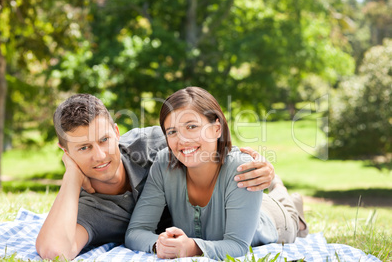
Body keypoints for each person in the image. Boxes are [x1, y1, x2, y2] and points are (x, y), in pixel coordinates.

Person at [35, 94, 276, 260]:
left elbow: (209, 145)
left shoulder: (153, 144)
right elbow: (55, 252)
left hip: (238, 208)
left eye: (104, 140)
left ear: (116, 132)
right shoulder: (88, 208)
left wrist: (262, 168)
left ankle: (281, 192)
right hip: (203, 222)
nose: (99, 155)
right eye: (84, 148)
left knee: (278, 205)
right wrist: (71, 177)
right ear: (66, 152)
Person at [125, 87, 308, 260]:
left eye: (192, 127)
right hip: (244, 202)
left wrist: (192, 247)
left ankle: (282, 192)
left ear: (217, 128)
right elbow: (135, 231)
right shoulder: (163, 164)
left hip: (274, 220)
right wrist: (159, 245)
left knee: (292, 217)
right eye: (172, 131)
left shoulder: (241, 167)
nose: (182, 140)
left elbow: (237, 245)